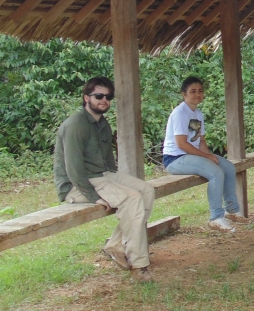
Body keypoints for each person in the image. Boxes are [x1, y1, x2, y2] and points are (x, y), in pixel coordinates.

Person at [54, 76, 156, 282]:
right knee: (132, 198)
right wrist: (94, 197)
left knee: (147, 191)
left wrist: (115, 179)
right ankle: (139, 265)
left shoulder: (103, 124)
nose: (104, 100)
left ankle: (116, 244)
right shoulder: (76, 125)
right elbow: (73, 169)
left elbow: (109, 162)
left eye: (108, 97)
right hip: (76, 185)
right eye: (98, 96)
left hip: (101, 176)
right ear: (86, 98)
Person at [162, 76, 243, 232]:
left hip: (191, 155)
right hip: (175, 159)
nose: (197, 94)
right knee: (216, 173)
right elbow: (182, 144)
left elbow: (201, 141)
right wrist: (206, 158)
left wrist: (211, 157)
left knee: (227, 167)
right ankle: (216, 218)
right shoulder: (180, 113)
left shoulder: (197, 113)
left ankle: (232, 210)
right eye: (193, 91)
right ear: (184, 94)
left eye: (200, 91)